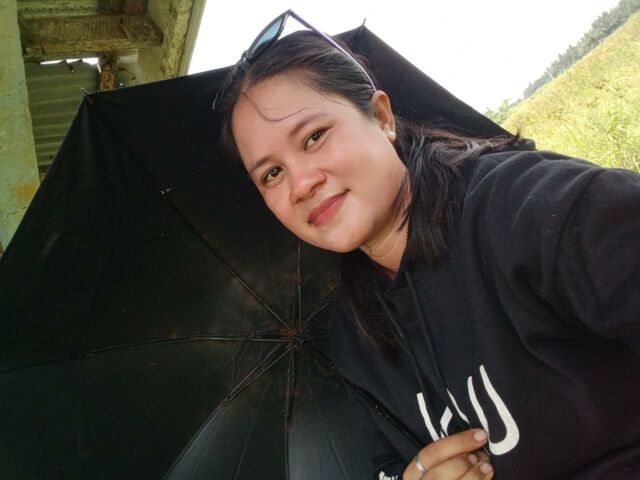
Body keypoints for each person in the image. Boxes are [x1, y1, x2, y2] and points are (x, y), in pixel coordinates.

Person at [215, 10, 640, 480]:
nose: (300, 184)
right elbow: (387, 460)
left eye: (314, 137)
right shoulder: (356, 336)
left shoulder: (527, 212)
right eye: (271, 173)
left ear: (381, 117)